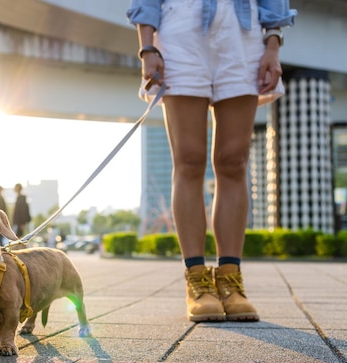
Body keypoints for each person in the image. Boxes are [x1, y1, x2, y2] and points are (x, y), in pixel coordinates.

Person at [126, 0, 296, 322]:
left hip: (242, 35)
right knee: (189, 160)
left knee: (234, 161)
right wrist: (147, 47)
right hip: (180, 32)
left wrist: (272, 45)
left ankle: (231, 280)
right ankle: (197, 281)